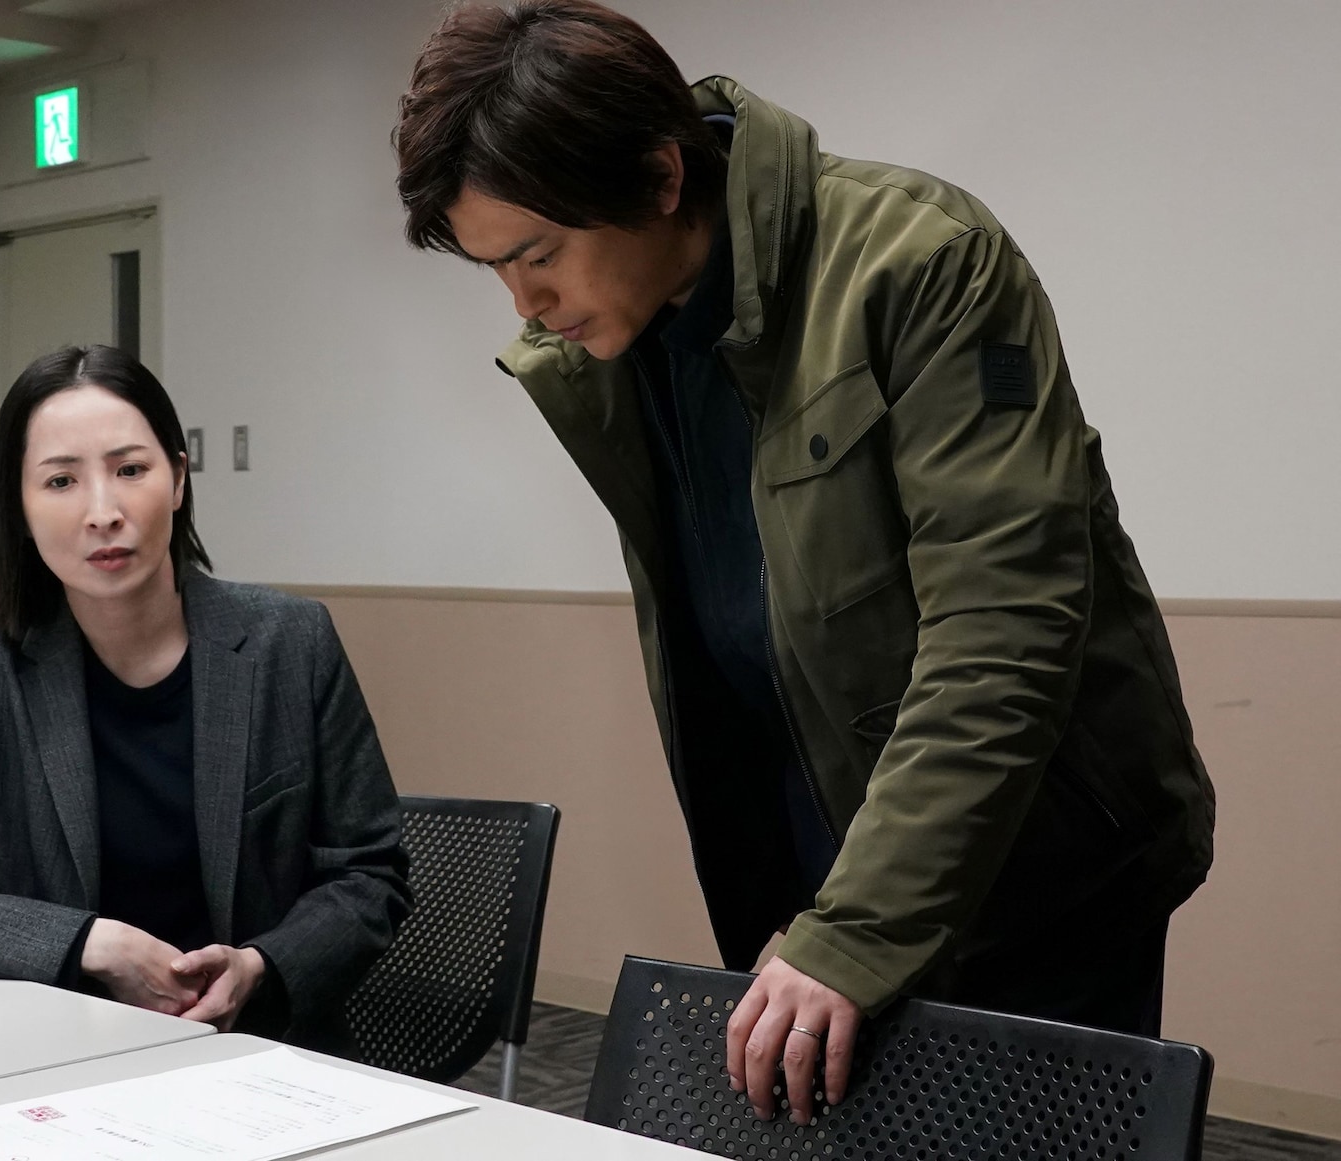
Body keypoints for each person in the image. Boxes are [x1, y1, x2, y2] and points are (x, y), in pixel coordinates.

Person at [392, 0, 1214, 1124]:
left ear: (661, 176)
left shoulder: (919, 260)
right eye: (496, 268)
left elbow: (1003, 627)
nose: (526, 304)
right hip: (816, 875)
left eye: (538, 254)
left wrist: (859, 929)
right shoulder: (614, 340)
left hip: (1031, 868)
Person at [0, 344, 411, 1055]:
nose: (102, 512)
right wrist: (89, 943)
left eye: (130, 470)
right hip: (64, 1054)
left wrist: (261, 965)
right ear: (20, 506)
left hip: (265, 1053)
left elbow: (369, 873)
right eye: (61, 481)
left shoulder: (291, 642)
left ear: (178, 478)